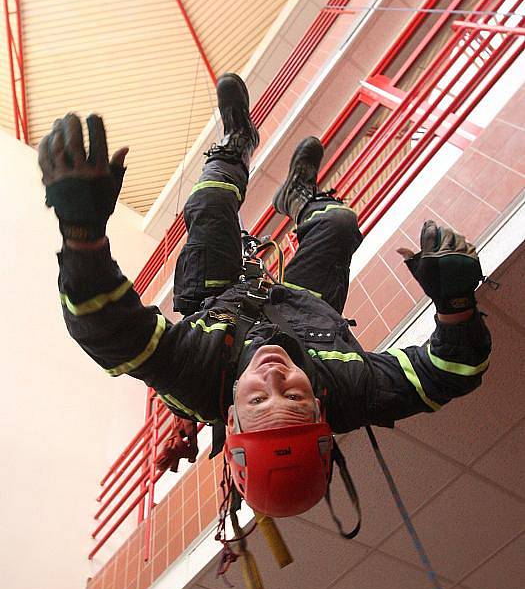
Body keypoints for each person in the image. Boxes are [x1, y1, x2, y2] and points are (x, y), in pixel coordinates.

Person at [39, 73, 491, 518]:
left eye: (257, 401)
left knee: (211, 206)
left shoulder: (196, 374)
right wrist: (455, 306)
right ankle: (298, 196)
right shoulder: (350, 390)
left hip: (218, 302)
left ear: (232, 417)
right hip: (304, 314)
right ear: (320, 408)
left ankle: (237, 142)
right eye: (295, 400)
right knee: (336, 224)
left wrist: (83, 234)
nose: (275, 379)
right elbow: (452, 372)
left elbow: (107, 331)